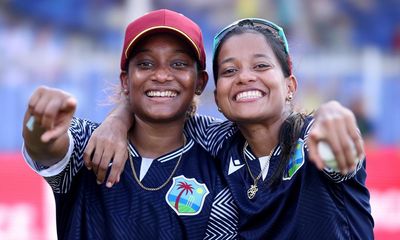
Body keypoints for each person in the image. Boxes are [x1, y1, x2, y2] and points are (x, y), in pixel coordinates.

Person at [86, 18, 374, 239]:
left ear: (290, 86)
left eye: (260, 66)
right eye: (229, 71)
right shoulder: (221, 142)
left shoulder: (313, 140)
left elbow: (338, 153)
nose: (245, 77)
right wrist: (118, 118)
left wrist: (331, 113)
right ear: (217, 98)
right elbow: (159, 109)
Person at [22, 9, 238, 239]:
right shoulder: (89, 141)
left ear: (200, 82)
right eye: (145, 64)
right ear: (125, 80)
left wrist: (120, 115)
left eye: (178, 64)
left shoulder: (219, 153)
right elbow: (44, 147)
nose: (162, 75)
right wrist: (39, 119)